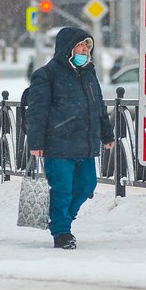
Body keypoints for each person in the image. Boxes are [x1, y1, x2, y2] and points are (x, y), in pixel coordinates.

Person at [26, 26, 114, 250]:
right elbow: (37, 111)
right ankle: (62, 232)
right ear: (67, 48)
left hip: (85, 143)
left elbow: (99, 106)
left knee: (87, 185)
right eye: (80, 45)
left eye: (87, 46)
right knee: (62, 189)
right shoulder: (47, 74)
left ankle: (61, 218)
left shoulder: (88, 73)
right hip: (58, 144)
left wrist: (107, 133)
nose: (84, 49)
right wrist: (35, 143)